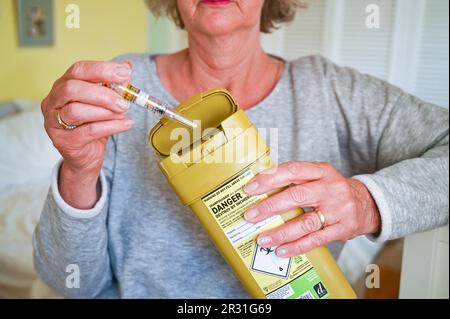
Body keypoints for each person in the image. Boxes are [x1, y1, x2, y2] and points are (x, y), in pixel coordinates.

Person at [34, 0, 449, 298]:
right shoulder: (118, 88)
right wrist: (78, 169)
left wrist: (366, 202)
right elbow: (70, 282)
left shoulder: (333, 93)